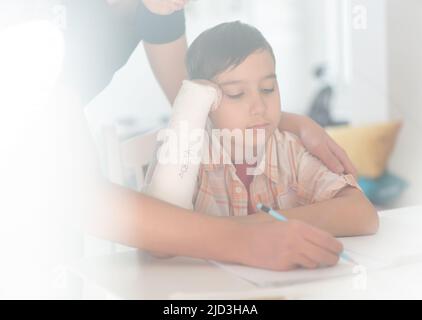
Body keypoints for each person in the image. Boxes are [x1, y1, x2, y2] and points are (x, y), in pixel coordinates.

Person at [57, 1, 360, 271]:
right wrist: (245, 238)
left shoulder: (160, 9)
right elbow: (76, 195)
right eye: (237, 93)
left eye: (268, 88)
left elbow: (196, 105)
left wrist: (290, 122)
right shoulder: (38, 23)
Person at [144, 21, 378, 268]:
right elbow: (158, 244)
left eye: (267, 89)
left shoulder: (290, 150)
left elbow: (363, 214)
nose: (259, 107)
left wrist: (255, 228)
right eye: (236, 94)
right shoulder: (186, 153)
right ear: (207, 103)